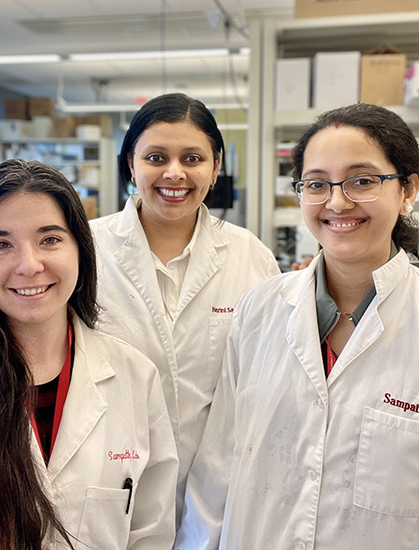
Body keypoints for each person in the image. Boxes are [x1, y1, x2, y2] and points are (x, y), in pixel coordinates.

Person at [175, 103, 419, 550]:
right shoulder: (259, 310)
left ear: (407, 190)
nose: (337, 201)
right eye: (317, 184)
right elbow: (217, 471)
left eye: (362, 180)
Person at [0, 159, 178, 550]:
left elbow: (150, 532)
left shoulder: (134, 377)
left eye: (50, 239)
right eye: (1, 244)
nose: (29, 265)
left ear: (80, 250)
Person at [88, 92, 280, 525]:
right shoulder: (84, 248)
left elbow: (269, 375)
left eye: (192, 158)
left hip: (219, 491)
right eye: (156, 156)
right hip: (109, 484)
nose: (174, 172)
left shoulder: (249, 256)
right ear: (131, 165)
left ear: (215, 168)